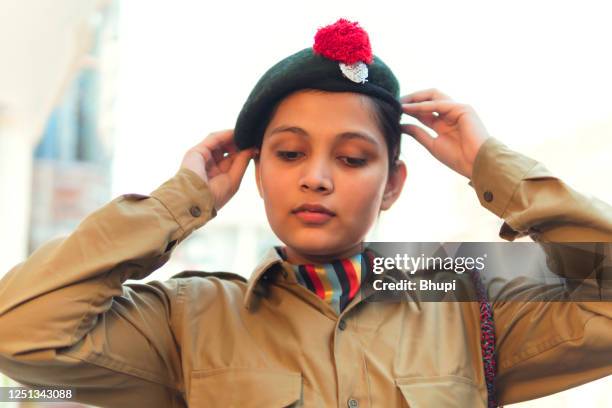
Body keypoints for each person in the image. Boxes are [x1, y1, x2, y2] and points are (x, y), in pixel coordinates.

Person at [0, 18, 611, 408]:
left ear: (391, 184)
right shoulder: (186, 323)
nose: (315, 177)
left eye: (351, 159)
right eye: (289, 153)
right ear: (257, 171)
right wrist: (175, 203)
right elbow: (20, 331)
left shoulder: (470, 306)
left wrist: (494, 167)